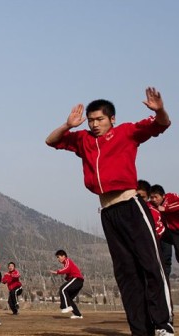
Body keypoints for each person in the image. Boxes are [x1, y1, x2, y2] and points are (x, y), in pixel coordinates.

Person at [45, 88, 173, 336]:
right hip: (108, 212)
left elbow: (162, 124)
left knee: (150, 265)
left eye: (99, 119)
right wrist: (67, 125)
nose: (94, 124)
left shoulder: (127, 132)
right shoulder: (83, 140)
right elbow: (51, 141)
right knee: (126, 274)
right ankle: (141, 330)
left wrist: (159, 110)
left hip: (131, 206)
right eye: (91, 120)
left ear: (112, 119)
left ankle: (162, 325)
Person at [138, 181, 171, 279]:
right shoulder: (133, 211)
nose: (140, 200)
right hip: (147, 245)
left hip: (162, 240)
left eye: (142, 197)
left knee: (165, 266)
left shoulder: (156, 209)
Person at [49, 250, 84, 319]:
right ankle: (77, 314)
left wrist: (57, 272)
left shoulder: (68, 261)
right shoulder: (66, 263)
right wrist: (67, 278)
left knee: (62, 289)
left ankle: (65, 307)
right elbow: (69, 272)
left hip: (77, 279)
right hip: (78, 282)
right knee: (69, 298)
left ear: (63, 256)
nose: (58, 259)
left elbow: (67, 269)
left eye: (58, 257)